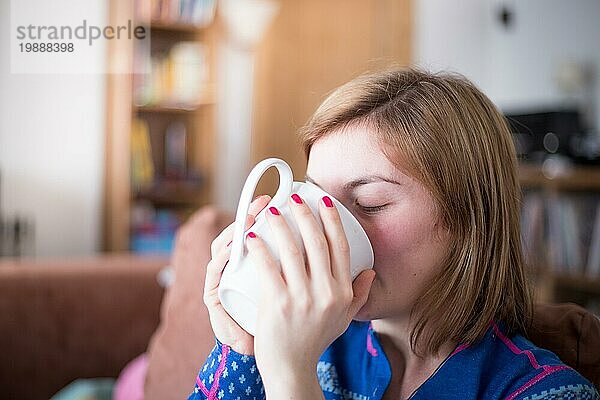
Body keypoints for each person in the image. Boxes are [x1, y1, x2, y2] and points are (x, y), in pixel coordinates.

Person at [188, 68, 599, 399]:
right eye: (314, 201)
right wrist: (247, 346)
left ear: (468, 217)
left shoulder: (548, 392)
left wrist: (290, 376)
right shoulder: (312, 338)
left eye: (368, 204)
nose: (325, 234)